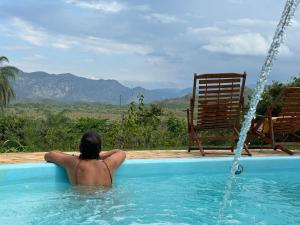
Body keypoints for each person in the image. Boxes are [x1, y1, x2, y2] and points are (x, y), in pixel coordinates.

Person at [44, 131, 126, 186]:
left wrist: (76, 156)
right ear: (100, 149)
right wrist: (99, 155)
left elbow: (49, 155)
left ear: (80, 148)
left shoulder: (73, 163)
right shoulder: (109, 164)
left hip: (81, 203)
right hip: (105, 204)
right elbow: (121, 152)